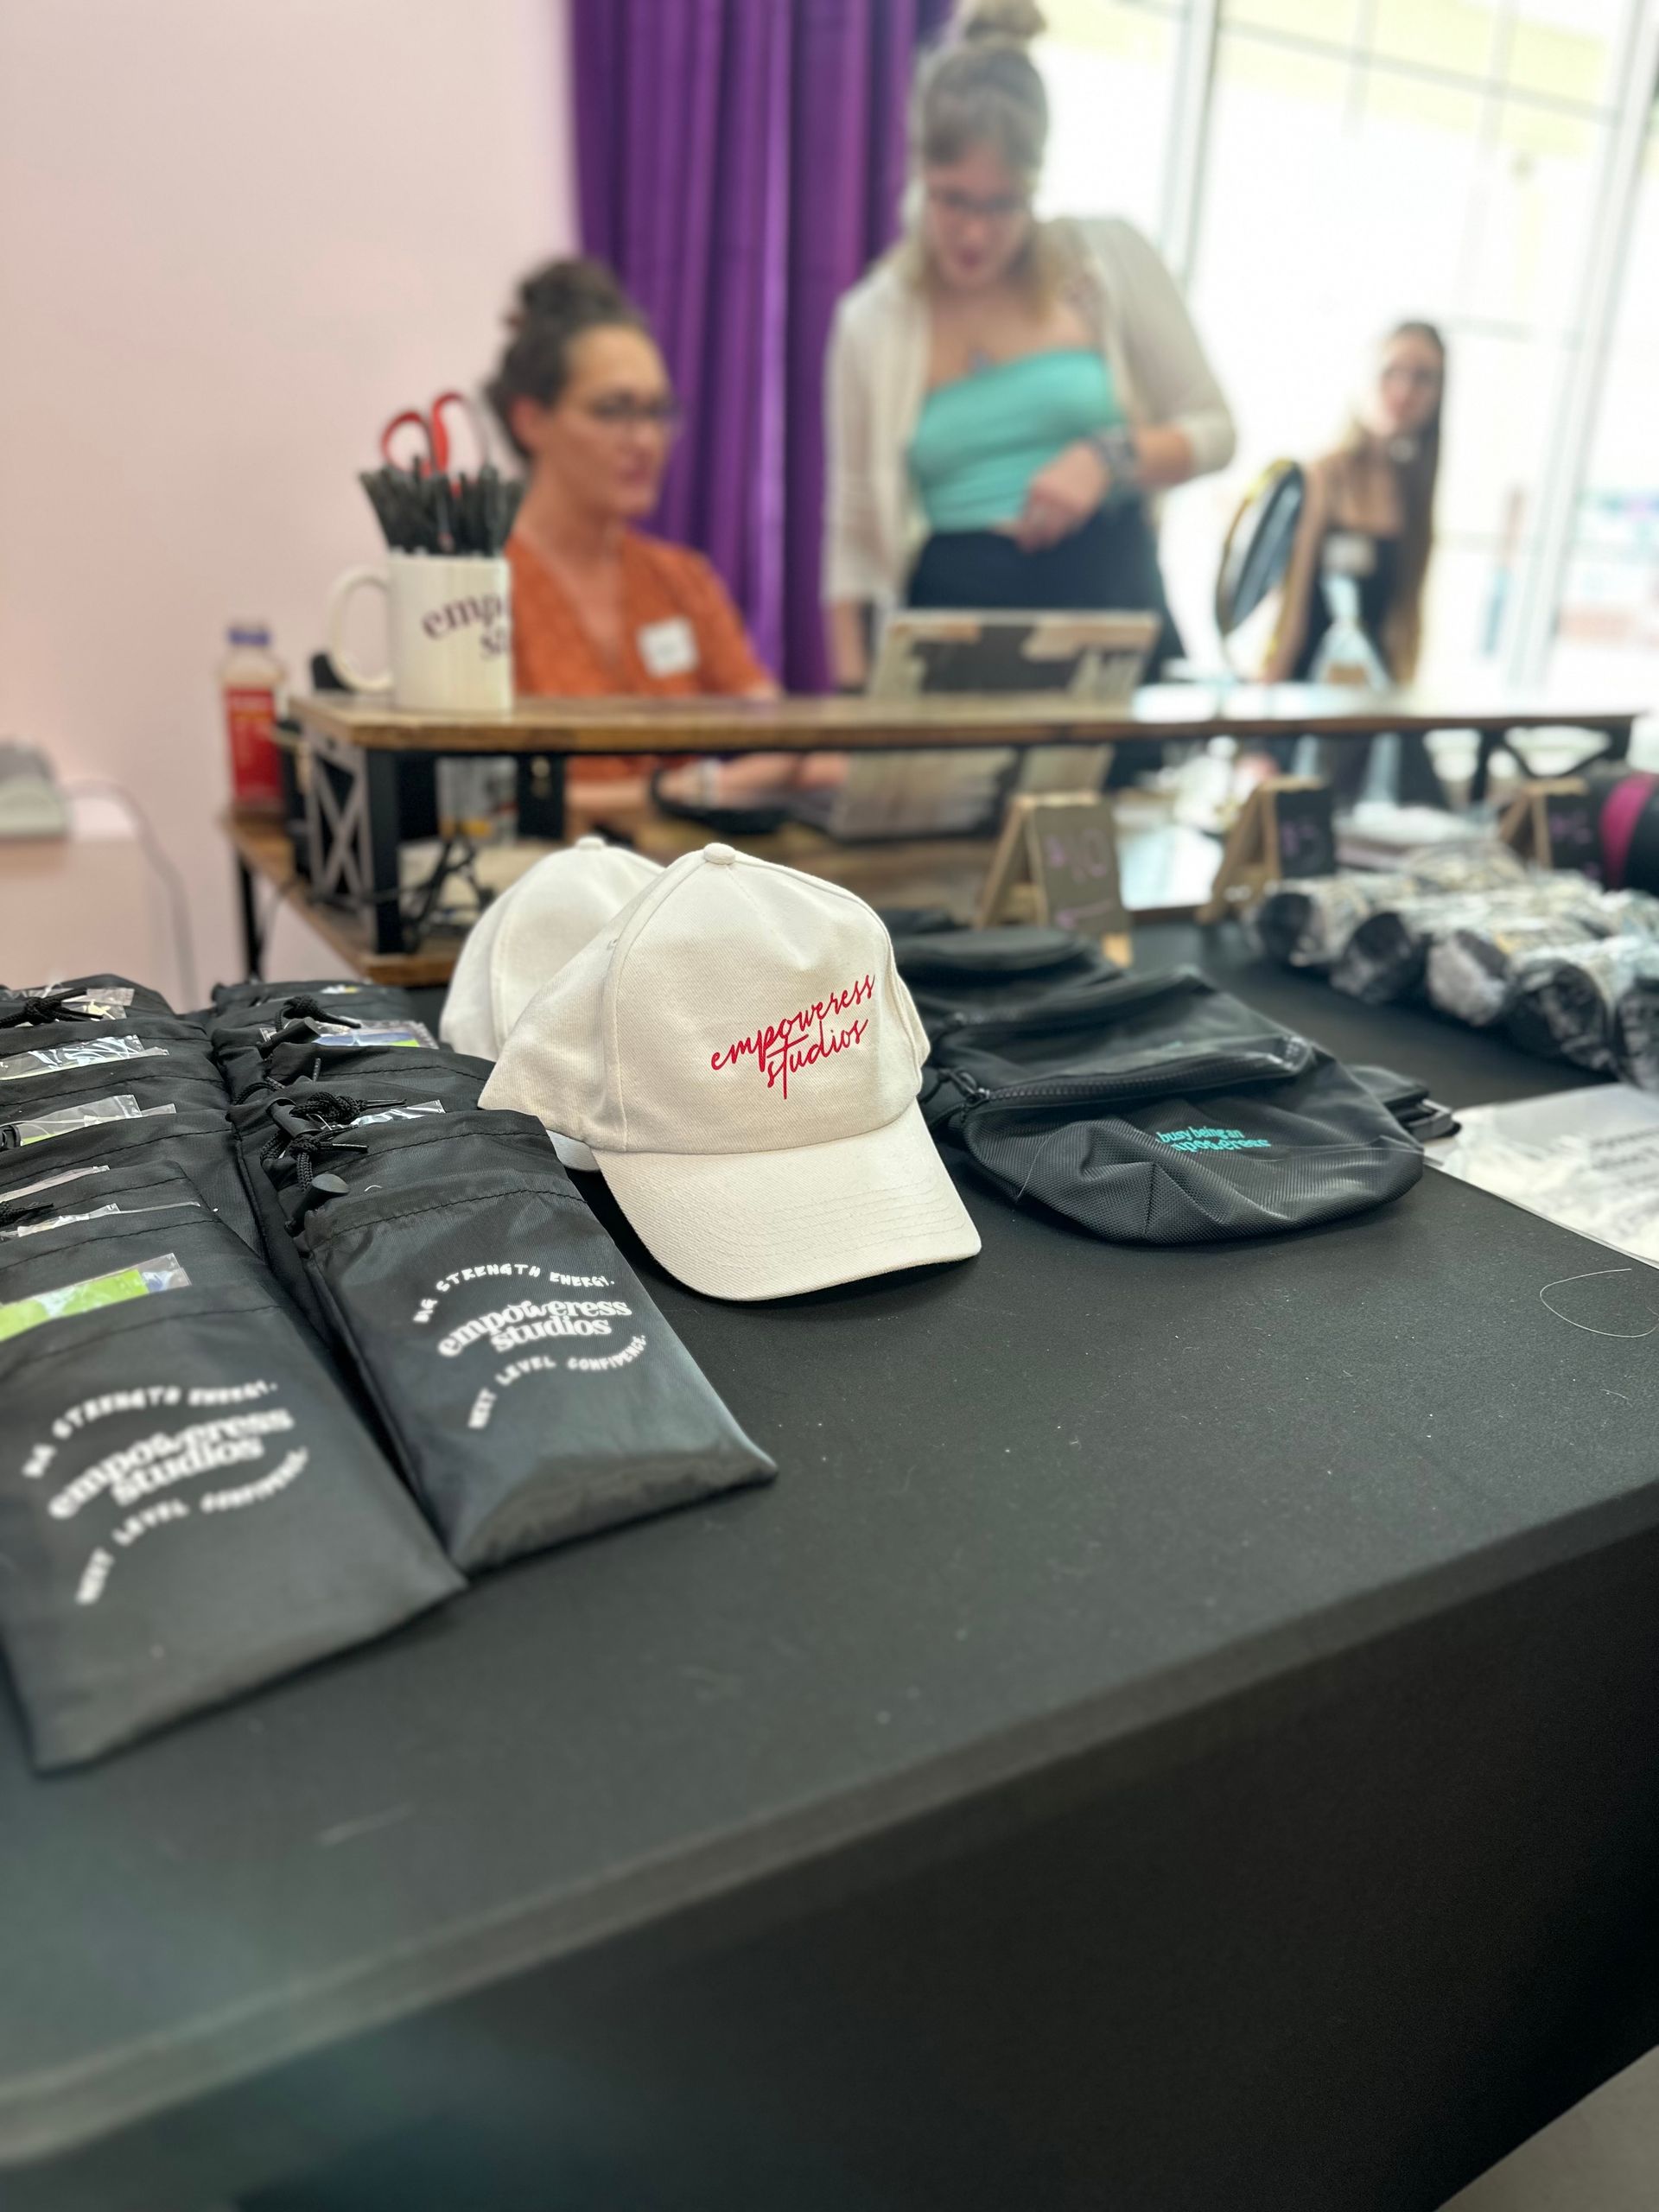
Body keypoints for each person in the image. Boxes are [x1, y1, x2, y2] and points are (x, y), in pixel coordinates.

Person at [823, 0, 1235, 689]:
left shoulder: (1105, 263)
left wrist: (1107, 457)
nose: (974, 234)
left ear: (1036, 185)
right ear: (920, 172)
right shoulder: (873, 321)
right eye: (953, 199)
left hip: (1108, 611)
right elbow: (854, 527)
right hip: (955, 628)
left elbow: (1217, 429)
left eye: (1002, 203)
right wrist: (850, 699)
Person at [487, 258, 776, 737]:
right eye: (613, 410)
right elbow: (484, 793)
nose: (645, 440)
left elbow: (783, 738)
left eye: (657, 412)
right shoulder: (481, 593)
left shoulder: (682, 581)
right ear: (531, 421)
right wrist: (684, 791)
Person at [1263, 320, 1447, 804]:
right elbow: (1287, 619)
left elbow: (1401, 628)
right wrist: (1256, 738)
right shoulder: (1322, 477)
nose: (1404, 391)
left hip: (1374, 709)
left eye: (1423, 378)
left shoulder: (1414, 495)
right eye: (1392, 372)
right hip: (1305, 704)